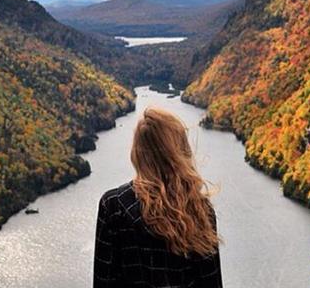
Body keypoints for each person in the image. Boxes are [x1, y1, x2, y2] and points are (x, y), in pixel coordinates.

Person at [93, 107, 223, 287]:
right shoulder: (200, 209)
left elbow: (103, 282)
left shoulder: (114, 206)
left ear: (138, 152)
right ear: (180, 150)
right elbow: (212, 283)